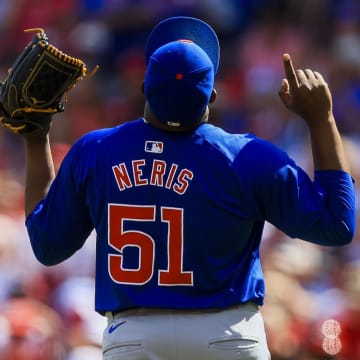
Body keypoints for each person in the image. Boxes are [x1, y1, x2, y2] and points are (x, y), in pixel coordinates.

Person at [17, 16, 355, 360]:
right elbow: (337, 225)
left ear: (143, 86)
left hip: (134, 338)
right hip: (226, 336)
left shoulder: (95, 151)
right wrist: (321, 118)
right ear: (213, 95)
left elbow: (47, 245)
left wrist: (35, 137)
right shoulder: (249, 157)